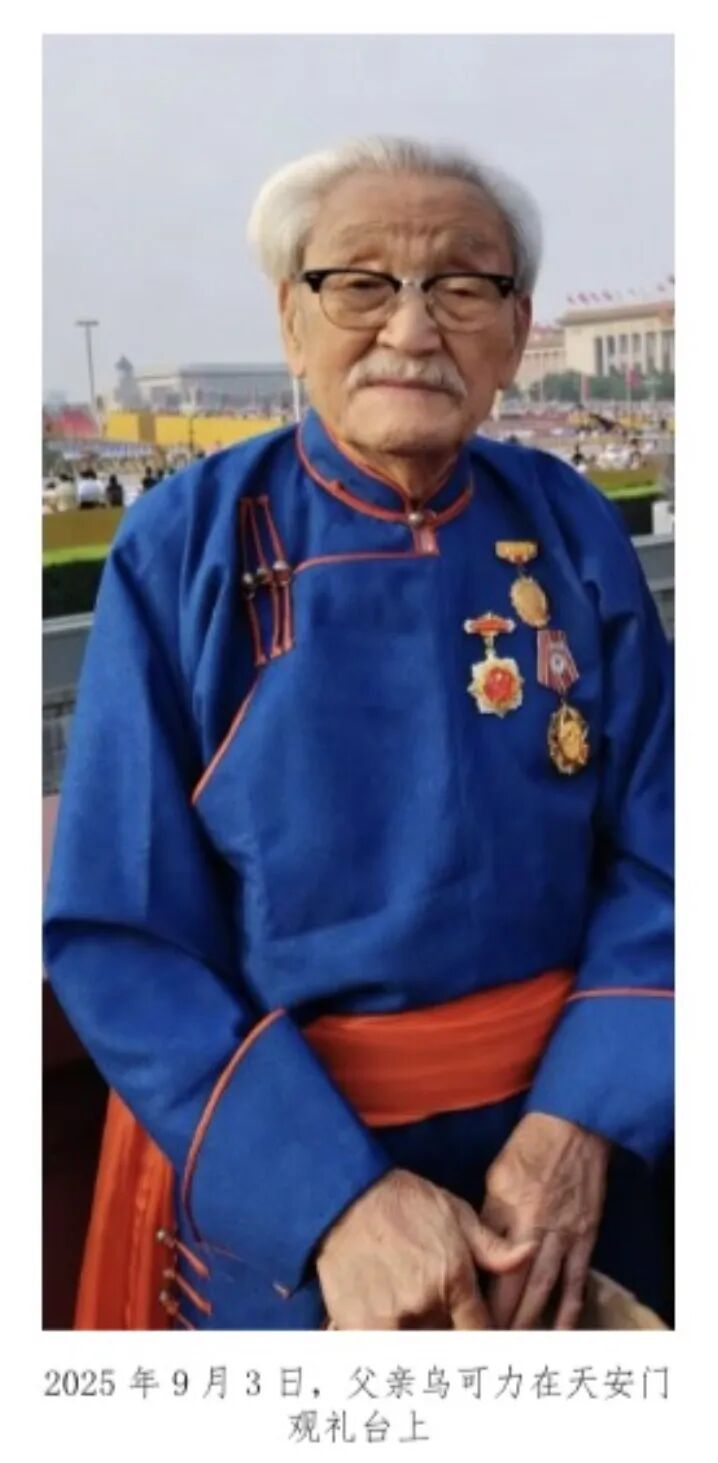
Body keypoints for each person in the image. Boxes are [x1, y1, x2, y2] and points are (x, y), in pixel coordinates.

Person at [44, 136, 673, 1333]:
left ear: (514, 328)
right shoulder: (184, 542)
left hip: (572, 1176)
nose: (412, 327)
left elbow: (671, 847)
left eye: (462, 284)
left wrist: (580, 1121)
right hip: (296, 1209)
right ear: (292, 318)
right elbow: (121, 929)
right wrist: (337, 1200)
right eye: (362, 283)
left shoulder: (570, 525)